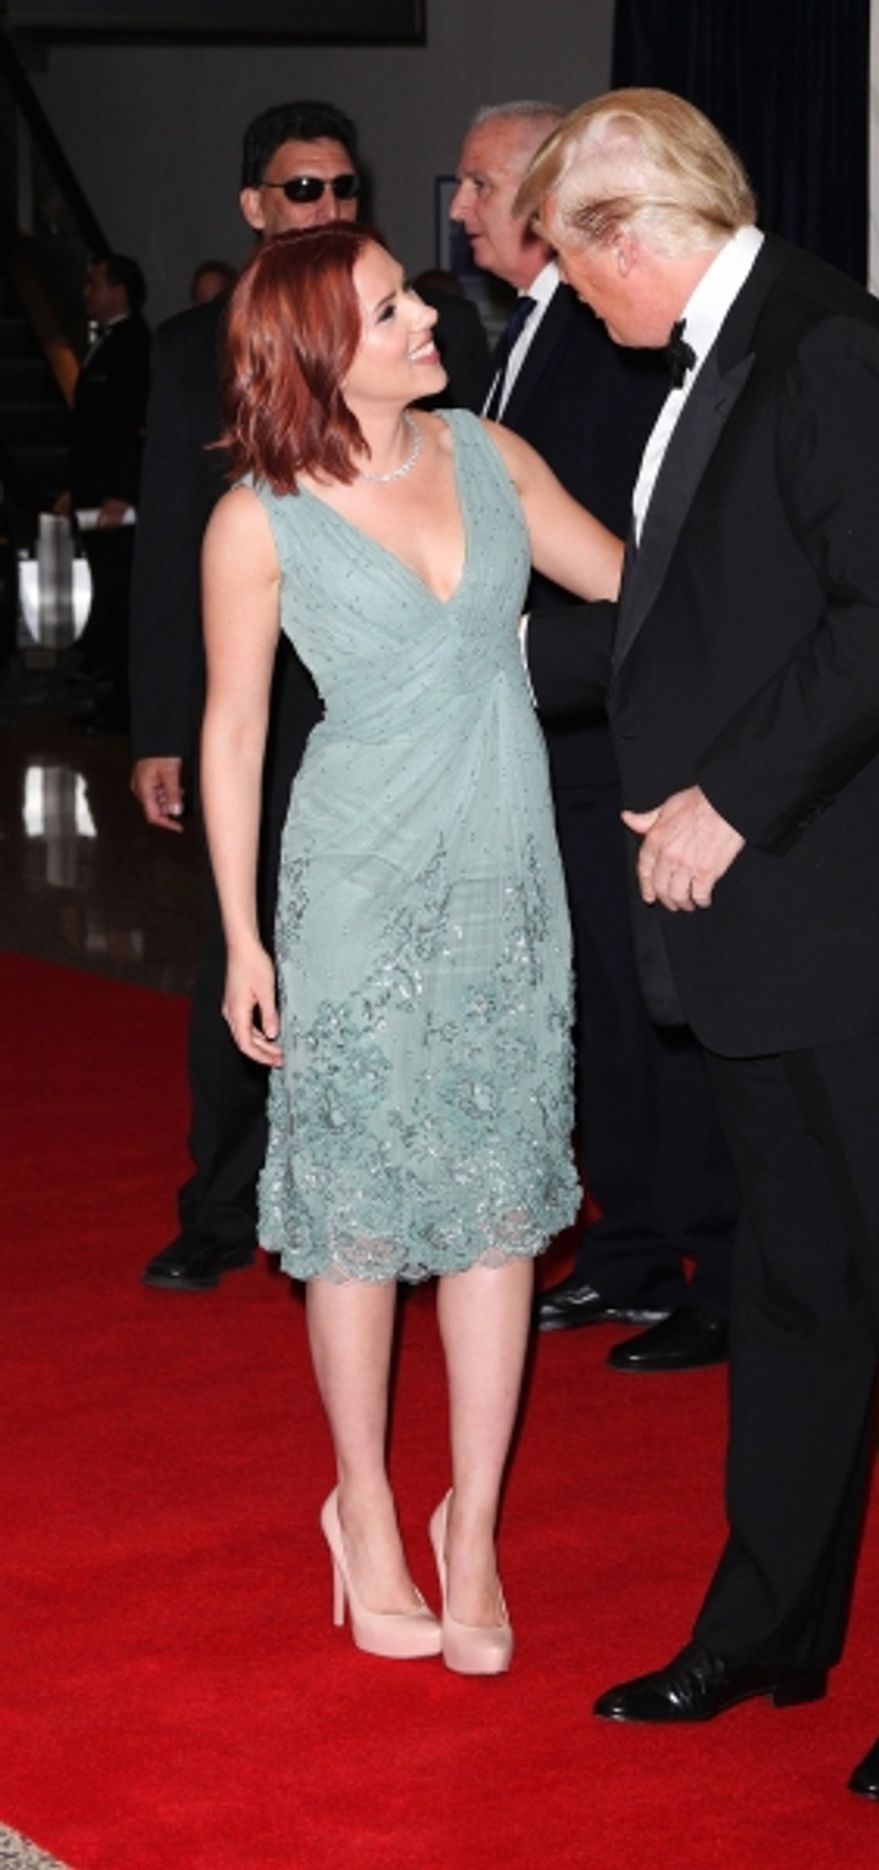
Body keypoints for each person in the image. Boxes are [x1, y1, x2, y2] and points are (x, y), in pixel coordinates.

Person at [517, 91, 879, 1798]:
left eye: (570, 258)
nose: (576, 301)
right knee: (793, 1287)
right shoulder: (723, 346)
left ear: (633, 233)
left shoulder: (831, 345)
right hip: (772, 927)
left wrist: (725, 803)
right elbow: (705, 615)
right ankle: (773, 1627)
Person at [201, 221, 622, 1670]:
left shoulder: (491, 457)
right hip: (357, 887)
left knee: (502, 1206)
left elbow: (633, 585)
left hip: (508, 877)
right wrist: (244, 939)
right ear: (323, 351)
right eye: (389, 309)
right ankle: (367, 1508)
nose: (423, 317)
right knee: (365, 1219)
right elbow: (237, 731)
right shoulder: (258, 519)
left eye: (412, 296)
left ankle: (474, 1525)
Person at [130, 99, 486, 1295]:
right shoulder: (190, 352)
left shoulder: (411, 341)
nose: (326, 209)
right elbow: (170, 547)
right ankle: (222, 1203)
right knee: (248, 956)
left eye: (342, 191)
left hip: (388, 704)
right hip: (261, 710)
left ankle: (410, 1192)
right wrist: (159, 730)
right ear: (253, 207)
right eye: (301, 193)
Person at [451, 101, 737, 1373]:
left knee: (662, 1012)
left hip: (618, 735)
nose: (458, 210)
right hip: (557, 739)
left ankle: (718, 1269)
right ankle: (628, 1247)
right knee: (599, 1018)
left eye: (474, 187)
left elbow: (638, 559)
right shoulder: (529, 327)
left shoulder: (618, 332)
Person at [55, 253, 151, 734]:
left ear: (119, 289)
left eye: (94, 283)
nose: (86, 293)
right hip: (96, 498)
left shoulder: (134, 346)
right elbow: (91, 431)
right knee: (109, 597)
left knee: (120, 600)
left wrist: (119, 493)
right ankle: (113, 696)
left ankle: (126, 704)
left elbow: (132, 429)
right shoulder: (107, 344)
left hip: (116, 507)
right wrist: (77, 487)